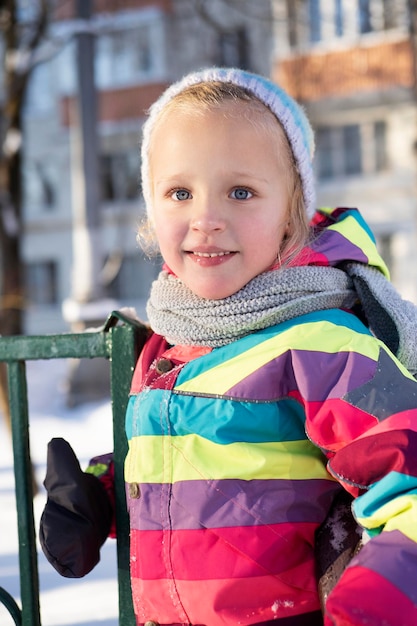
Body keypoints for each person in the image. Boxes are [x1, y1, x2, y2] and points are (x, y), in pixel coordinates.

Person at [39, 67, 417, 626]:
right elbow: (204, 469)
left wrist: (376, 603)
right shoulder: (170, 345)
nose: (206, 219)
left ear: (292, 212)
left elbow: (407, 481)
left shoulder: (322, 344)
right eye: (179, 192)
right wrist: (99, 496)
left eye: (241, 192)